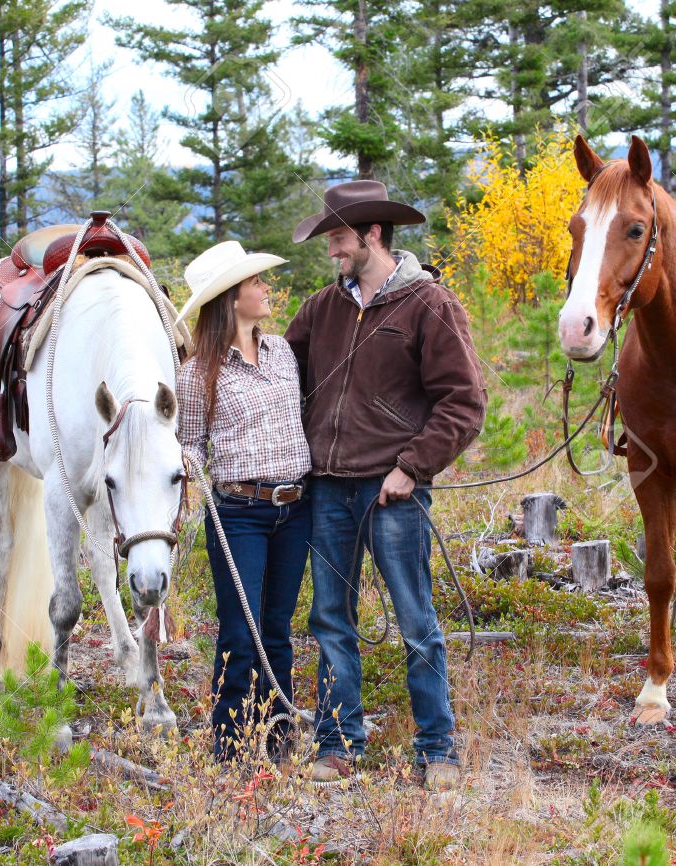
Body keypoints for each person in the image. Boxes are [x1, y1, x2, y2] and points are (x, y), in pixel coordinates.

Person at [284, 180, 487, 791]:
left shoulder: (430, 304)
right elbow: (278, 375)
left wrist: (412, 467)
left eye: (339, 239)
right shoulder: (321, 309)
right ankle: (339, 743)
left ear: (373, 234)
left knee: (416, 619)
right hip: (326, 491)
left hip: (393, 491)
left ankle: (438, 749)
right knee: (330, 621)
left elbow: (465, 402)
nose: (331, 252)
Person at [176, 240, 312, 763]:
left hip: (294, 507)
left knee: (277, 628)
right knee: (240, 629)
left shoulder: (282, 352)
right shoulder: (198, 372)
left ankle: (277, 739)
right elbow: (190, 440)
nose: (264, 288)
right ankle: (229, 745)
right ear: (232, 298)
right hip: (239, 513)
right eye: (255, 282)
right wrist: (187, 465)